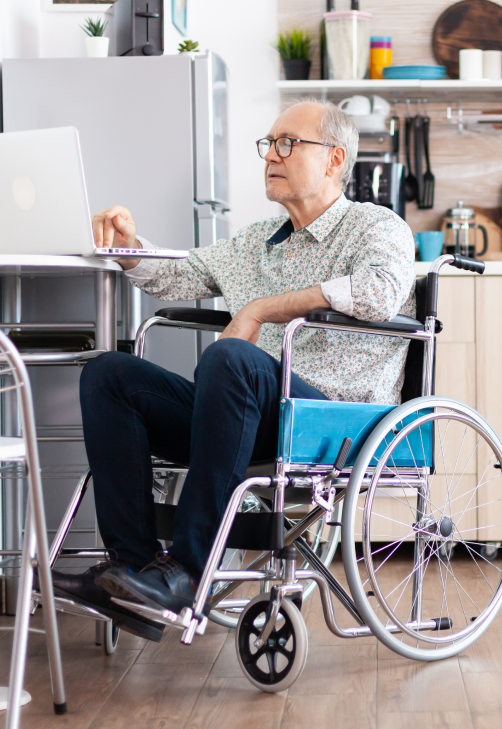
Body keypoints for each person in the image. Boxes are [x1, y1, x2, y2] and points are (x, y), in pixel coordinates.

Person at [49, 100, 415, 640]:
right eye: (269, 143)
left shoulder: (375, 227)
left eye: (289, 143)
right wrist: (128, 250)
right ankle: (137, 571)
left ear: (335, 158)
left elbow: (381, 291)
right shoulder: (256, 242)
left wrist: (262, 308)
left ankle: (188, 571)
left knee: (230, 356)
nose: (272, 154)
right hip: (241, 408)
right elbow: (181, 276)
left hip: (332, 418)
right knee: (109, 374)